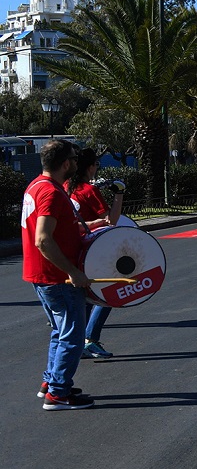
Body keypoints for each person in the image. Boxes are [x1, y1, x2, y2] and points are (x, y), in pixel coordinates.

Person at [23, 140, 95, 410]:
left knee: (60, 331)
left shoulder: (37, 185)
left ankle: (51, 383)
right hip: (57, 278)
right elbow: (43, 239)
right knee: (73, 336)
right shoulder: (51, 193)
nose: (77, 164)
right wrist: (73, 271)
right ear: (65, 163)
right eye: (75, 159)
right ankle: (59, 394)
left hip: (44, 275)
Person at [68, 148, 126, 360]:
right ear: (90, 166)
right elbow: (112, 220)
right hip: (96, 249)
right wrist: (119, 192)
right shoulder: (88, 191)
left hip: (74, 250)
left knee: (83, 297)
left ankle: (78, 342)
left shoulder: (65, 187)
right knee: (108, 293)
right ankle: (90, 339)